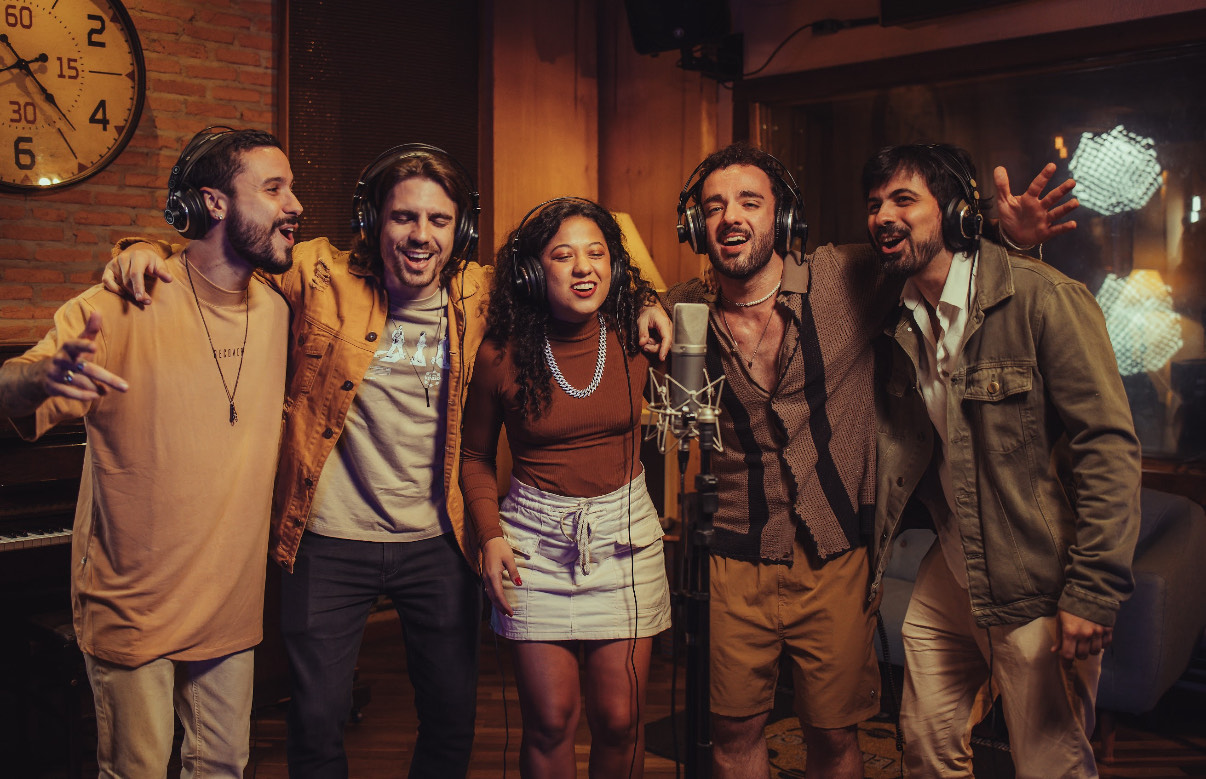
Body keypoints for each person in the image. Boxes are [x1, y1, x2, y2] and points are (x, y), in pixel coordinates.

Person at [103, 151, 671, 778]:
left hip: (437, 540)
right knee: (317, 721)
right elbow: (228, 259)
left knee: (452, 722)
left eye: (439, 219)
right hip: (328, 538)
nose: (421, 235)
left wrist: (651, 299)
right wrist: (147, 247)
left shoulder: (482, 291)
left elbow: (593, 243)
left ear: (463, 230)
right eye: (403, 217)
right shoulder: (319, 273)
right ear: (373, 220)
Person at [664, 142, 1076, 778]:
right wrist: (644, 302)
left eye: (750, 201)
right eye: (713, 208)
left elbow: (926, 244)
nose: (731, 218)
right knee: (731, 737)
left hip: (836, 557)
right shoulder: (686, 314)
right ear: (697, 227)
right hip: (735, 555)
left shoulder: (842, 277)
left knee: (833, 742)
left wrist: (1004, 233)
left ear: (785, 218)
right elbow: (622, 295)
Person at [0, 127, 300, 777]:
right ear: (215, 203)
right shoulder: (127, 300)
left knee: (222, 765)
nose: (294, 203)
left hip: (230, 602)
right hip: (132, 604)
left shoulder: (278, 311)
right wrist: (37, 378)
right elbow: (12, 384)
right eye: (274, 187)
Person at [865, 143, 1141, 777]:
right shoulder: (899, 316)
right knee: (924, 747)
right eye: (874, 203)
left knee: (1049, 763)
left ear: (959, 213)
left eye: (904, 200)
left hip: (1036, 581)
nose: (883, 216)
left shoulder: (1045, 298)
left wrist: (1094, 591)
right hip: (953, 573)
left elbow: (1108, 445)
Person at [460, 197, 671, 778]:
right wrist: (489, 537)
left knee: (621, 719)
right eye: (564, 255)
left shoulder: (638, 335)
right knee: (551, 720)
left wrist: (651, 299)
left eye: (597, 254)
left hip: (624, 539)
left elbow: (705, 293)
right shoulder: (500, 355)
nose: (584, 268)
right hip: (534, 547)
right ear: (532, 271)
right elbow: (475, 456)